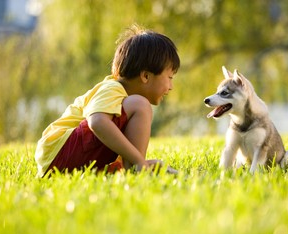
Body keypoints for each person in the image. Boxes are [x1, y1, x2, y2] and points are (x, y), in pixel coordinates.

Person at [35, 25, 180, 177]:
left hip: (61, 160)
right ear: (145, 76)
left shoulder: (122, 102)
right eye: (169, 78)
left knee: (135, 108)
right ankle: (137, 167)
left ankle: (132, 168)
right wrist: (139, 161)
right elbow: (97, 122)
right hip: (60, 153)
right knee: (140, 104)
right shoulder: (112, 88)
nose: (171, 87)